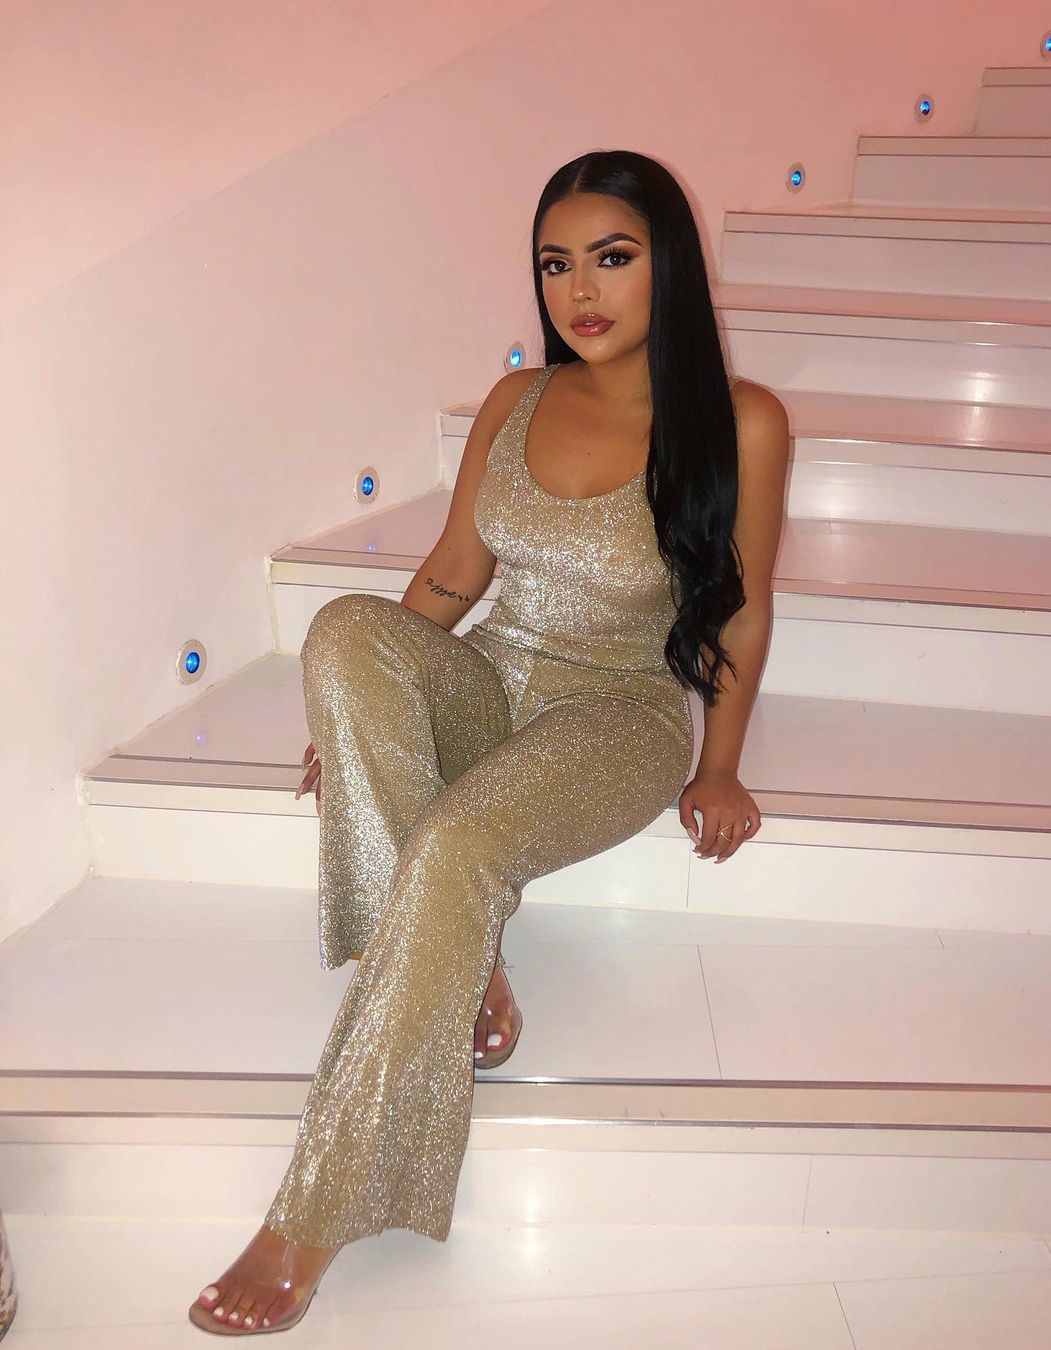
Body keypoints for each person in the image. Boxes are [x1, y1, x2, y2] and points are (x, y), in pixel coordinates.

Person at [188, 148, 789, 1336]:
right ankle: (467, 958)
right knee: (345, 632)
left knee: (456, 843)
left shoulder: (743, 420)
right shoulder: (517, 402)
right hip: (495, 676)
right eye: (557, 263)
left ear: (670, 264)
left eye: (612, 257)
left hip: (617, 710)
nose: (582, 289)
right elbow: (456, 573)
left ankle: (316, 1211)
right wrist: (365, 712)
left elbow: (742, 608)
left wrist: (720, 762)